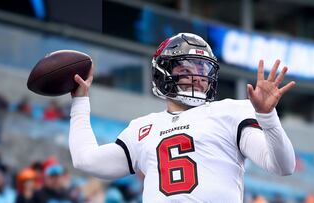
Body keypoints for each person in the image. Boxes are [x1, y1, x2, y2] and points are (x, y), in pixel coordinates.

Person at [69, 33, 296, 202]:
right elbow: (85, 159)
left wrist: (267, 116)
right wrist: (80, 101)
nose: (198, 77)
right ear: (162, 74)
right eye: (186, 70)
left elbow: (283, 166)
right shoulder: (142, 128)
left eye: (204, 70)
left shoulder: (230, 112)